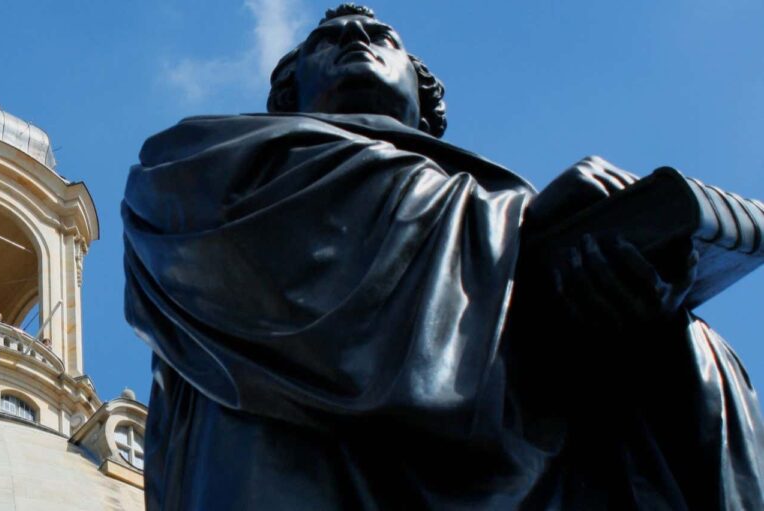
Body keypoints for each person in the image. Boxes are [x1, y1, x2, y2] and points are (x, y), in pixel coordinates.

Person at [123, 4, 764, 509]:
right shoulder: (203, 162)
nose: (355, 37)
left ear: (425, 101)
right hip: (297, 468)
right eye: (327, 39)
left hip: (508, 464)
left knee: (690, 345)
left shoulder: (495, 201)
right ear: (289, 94)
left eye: (382, 35)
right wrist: (521, 236)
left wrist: (641, 328)